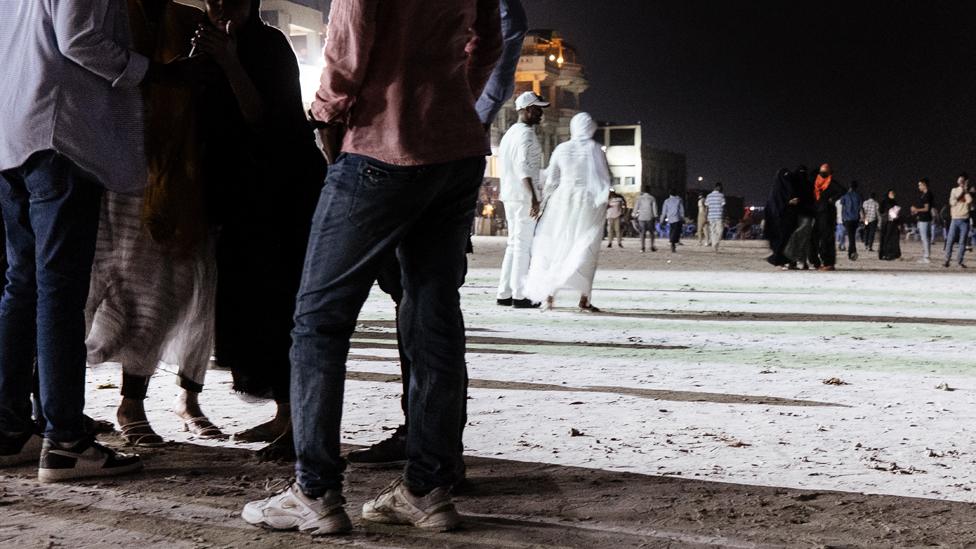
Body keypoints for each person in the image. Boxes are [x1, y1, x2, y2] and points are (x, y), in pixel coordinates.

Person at [241, 0, 501, 535]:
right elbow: (489, 43)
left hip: (382, 145)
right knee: (433, 315)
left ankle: (314, 491)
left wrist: (327, 113)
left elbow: (350, 34)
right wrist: (453, 100)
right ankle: (428, 488)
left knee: (319, 321)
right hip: (455, 149)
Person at [0, 0, 181, 479]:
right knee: (59, 292)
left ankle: (9, 429)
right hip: (60, 136)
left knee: (23, 286)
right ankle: (65, 441)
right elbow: (78, 40)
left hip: (12, 134)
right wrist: (154, 73)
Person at [345, 0, 527, 470]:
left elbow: (494, 55)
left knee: (425, 306)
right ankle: (428, 440)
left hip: (424, 151)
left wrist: (451, 117)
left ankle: (433, 449)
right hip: (416, 145)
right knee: (419, 303)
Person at [81, 0, 222, 448]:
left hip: (173, 177)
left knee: (158, 294)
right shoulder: (105, 13)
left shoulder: (188, 20)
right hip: (104, 168)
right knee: (86, 291)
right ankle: (57, 407)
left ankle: (133, 403)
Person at [191, 0, 327, 448]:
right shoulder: (201, 45)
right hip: (236, 194)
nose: (219, 6)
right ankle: (283, 415)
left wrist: (230, 60)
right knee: (250, 307)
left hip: (282, 192)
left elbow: (262, 117)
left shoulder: (270, 46)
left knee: (281, 305)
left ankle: (295, 423)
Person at [524, 113, 610, 312]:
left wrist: (545, 202)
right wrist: (603, 198)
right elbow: (603, 178)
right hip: (587, 202)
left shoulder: (562, 149)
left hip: (562, 201)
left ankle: (549, 296)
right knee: (585, 246)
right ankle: (584, 299)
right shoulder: (594, 149)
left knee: (557, 245)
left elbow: (552, 179)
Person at [496, 91, 548, 309]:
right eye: (537, 109)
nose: (541, 113)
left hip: (511, 195)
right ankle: (520, 294)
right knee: (522, 246)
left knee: (513, 244)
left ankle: (504, 292)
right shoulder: (526, 134)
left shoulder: (510, 133)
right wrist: (535, 200)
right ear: (527, 110)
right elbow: (524, 169)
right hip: (523, 196)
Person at [809, 163, 846, 271]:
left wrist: (832, 199)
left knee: (827, 239)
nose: (823, 173)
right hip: (816, 213)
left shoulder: (832, 183)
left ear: (829, 172)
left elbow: (843, 190)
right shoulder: (815, 182)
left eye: (825, 171)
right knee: (813, 238)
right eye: (821, 171)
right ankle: (815, 262)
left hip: (827, 214)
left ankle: (828, 263)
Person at [764, 169, 800, 267]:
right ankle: (779, 259)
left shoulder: (787, 188)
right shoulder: (776, 190)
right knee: (780, 240)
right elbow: (775, 205)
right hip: (778, 220)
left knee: (786, 240)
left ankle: (783, 260)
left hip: (787, 219)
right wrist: (788, 203)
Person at [944, 173, 973, 268]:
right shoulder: (954, 190)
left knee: (962, 242)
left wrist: (965, 191)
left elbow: (969, 201)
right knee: (950, 240)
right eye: (960, 180)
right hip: (955, 219)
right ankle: (947, 260)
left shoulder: (968, 192)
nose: (961, 182)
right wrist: (961, 192)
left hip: (965, 220)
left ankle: (959, 261)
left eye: (963, 181)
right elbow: (952, 202)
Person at [909, 178, 934, 263]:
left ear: (924, 185)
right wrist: (916, 211)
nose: (918, 186)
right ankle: (927, 256)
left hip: (924, 219)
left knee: (925, 238)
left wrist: (916, 209)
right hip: (925, 218)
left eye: (919, 185)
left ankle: (926, 257)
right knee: (926, 238)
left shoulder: (927, 195)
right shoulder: (925, 194)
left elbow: (926, 209)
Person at [839, 180, 863, 261]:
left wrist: (842, 218)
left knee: (851, 237)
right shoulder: (859, 196)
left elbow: (842, 207)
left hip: (847, 219)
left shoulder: (845, 195)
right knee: (852, 236)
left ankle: (852, 253)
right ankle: (852, 252)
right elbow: (860, 208)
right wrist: (861, 218)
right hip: (855, 219)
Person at [878, 189, 902, 261]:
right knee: (885, 238)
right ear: (888, 194)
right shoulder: (884, 201)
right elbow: (880, 211)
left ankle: (891, 254)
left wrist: (898, 222)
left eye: (893, 193)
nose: (893, 194)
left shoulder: (894, 202)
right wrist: (888, 212)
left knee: (892, 239)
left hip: (893, 223)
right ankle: (884, 254)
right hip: (886, 222)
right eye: (891, 193)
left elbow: (897, 213)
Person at [705, 183, 726, 251]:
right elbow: (723, 207)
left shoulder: (708, 196)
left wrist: (706, 216)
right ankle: (715, 243)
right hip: (719, 215)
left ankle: (714, 243)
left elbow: (707, 207)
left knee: (713, 231)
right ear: (719, 187)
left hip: (710, 216)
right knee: (720, 230)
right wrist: (723, 216)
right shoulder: (721, 196)